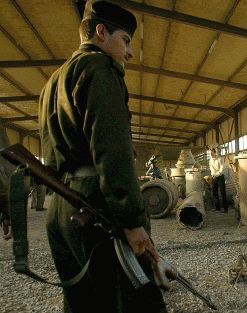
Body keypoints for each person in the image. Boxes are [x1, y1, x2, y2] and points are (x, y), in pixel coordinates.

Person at [38, 1, 166, 312]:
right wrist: (132, 221)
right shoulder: (99, 70)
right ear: (100, 32)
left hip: (61, 206)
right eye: (125, 40)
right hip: (96, 206)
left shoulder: (53, 81)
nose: (129, 52)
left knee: (83, 302)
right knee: (131, 299)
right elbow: (113, 152)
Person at [209, 148, 228, 212]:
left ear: (215, 153)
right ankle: (217, 208)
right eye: (210, 153)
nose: (211, 154)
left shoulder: (220, 159)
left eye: (212, 153)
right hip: (214, 177)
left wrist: (216, 174)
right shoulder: (210, 160)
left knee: (222, 192)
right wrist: (213, 174)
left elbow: (222, 169)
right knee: (215, 192)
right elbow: (211, 168)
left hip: (220, 177)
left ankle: (225, 209)